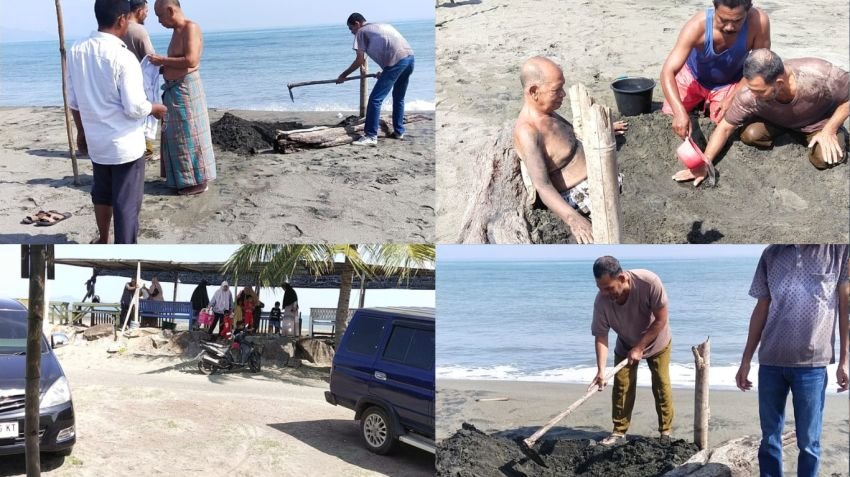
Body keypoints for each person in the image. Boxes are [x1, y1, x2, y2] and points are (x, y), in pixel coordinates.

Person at [736, 245, 849, 477]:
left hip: (812, 365)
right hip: (770, 362)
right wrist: (746, 359)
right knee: (769, 439)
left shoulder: (839, 250)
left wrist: (845, 360)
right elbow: (761, 307)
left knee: (808, 442)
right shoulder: (771, 253)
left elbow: (845, 307)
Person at [66, 0, 167, 244]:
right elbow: (135, 108)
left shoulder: (76, 50)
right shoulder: (123, 57)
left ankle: (103, 239)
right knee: (127, 205)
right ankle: (125, 248)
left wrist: (81, 132)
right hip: (125, 146)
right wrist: (155, 108)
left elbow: (74, 100)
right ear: (122, 19)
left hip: (97, 141)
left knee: (102, 194)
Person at [674, 50, 850, 186]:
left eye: (759, 91)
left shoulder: (819, 74)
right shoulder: (749, 94)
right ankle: (791, 135)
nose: (753, 95)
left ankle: (833, 137)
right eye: (751, 88)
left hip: (818, 123)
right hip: (779, 122)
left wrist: (830, 129)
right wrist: (706, 161)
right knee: (750, 134)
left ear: (779, 83)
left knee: (823, 159)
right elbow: (725, 127)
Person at [513, 57, 626, 244]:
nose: (563, 95)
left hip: (597, 175)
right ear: (534, 92)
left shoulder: (547, 111)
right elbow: (542, 185)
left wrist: (600, 131)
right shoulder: (528, 131)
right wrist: (573, 220)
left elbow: (568, 136)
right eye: (556, 90)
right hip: (580, 194)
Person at [589, 256, 673, 445]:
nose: (604, 293)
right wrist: (601, 370)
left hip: (657, 340)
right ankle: (619, 431)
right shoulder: (601, 301)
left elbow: (661, 319)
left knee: (661, 383)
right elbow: (601, 336)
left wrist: (640, 347)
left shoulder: (649, 282)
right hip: (626, 342)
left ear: (622, 278)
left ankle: (665, 432)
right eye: (600, 288)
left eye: (609, 288)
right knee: (622, 385)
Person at [661, 0, 770, 139]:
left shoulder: (758, 23)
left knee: (724, 122)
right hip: (693, 76)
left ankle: (708, 103)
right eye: (723, 20)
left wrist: (732, 97)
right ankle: (699, 101)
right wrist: (679, 112)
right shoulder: (697, 26)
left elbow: (759, 67)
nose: (729, 27)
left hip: (729, 82)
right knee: (670, 114)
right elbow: (667, 71)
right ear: (715, 9)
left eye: (737, 20)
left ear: (748, 11)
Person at [150, 0, 216, 196]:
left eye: (160, 15)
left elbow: (191, 60)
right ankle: (181, 179)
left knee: (190, 134)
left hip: (186, 89)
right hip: (174, 89)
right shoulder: (176, 31)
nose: (159, 21)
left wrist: (162, 60)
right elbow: (178, 62)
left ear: (171, 10)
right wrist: (160, 68)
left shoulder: (191, 28)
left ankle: (198, 180)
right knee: (176, 135)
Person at [337, 13, 414, 146]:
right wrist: (385, 71)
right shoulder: (382, 25)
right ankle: (399, 132)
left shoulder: (361, 32)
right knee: (399, 97)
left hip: (396, 63)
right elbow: (391, 47)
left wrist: (344, 75)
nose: (352, 33)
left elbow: (360, 60)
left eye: (351, 29)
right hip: (410, 59)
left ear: (357, 23)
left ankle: (371, 136)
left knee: (375, 100)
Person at [122, 0, 158, 160]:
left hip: (122, 81)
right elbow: (151, 58)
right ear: (138, 11)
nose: (147, 14)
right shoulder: (138, 31)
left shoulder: (119, 29)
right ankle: (146, 149)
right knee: (145, 114)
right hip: (140, 80)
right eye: (146, 11)